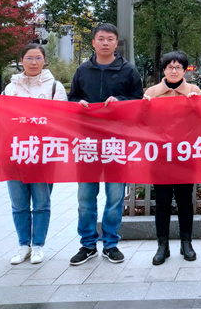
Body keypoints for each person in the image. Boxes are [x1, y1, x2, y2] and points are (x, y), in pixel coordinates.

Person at [0, 43, 67, 265]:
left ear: (44, 60)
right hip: (15, 151)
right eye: (29, 58)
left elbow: (62, 119)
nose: (33, 62)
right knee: (18, 204)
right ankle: (23, 245)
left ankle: (38, 245)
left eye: (38, 58)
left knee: (41, 203)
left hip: (43, 153)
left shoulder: (54, 87)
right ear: (21, 61)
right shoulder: (11, 88)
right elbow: (2, 119)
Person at [68, 23, 143, 266]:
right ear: (93, 42)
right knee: (85, 198)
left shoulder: (128, 70)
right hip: (87, 142)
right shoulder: (82, 70)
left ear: (116, 43)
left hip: (116, 142)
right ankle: (88, 244)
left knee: (115, 197)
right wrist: (77, 104)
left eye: (110, 39)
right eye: (101, 38)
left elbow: (138, 101)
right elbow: (72, 99)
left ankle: (111, 243)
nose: (105, 43)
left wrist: (120, 101)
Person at [143, 50, 201, 266]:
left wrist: (198, 105)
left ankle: (186, 243)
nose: (174, 71)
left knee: (185, 200)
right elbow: (143, 122)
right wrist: (144, 107)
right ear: (164, 70)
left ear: (185, 70)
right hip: (160, 155)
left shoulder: (194, 91)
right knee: (162, 201)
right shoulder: (151, 93)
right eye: (170, 67)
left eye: (178, 67)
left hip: (185, 155)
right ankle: (162, 245)